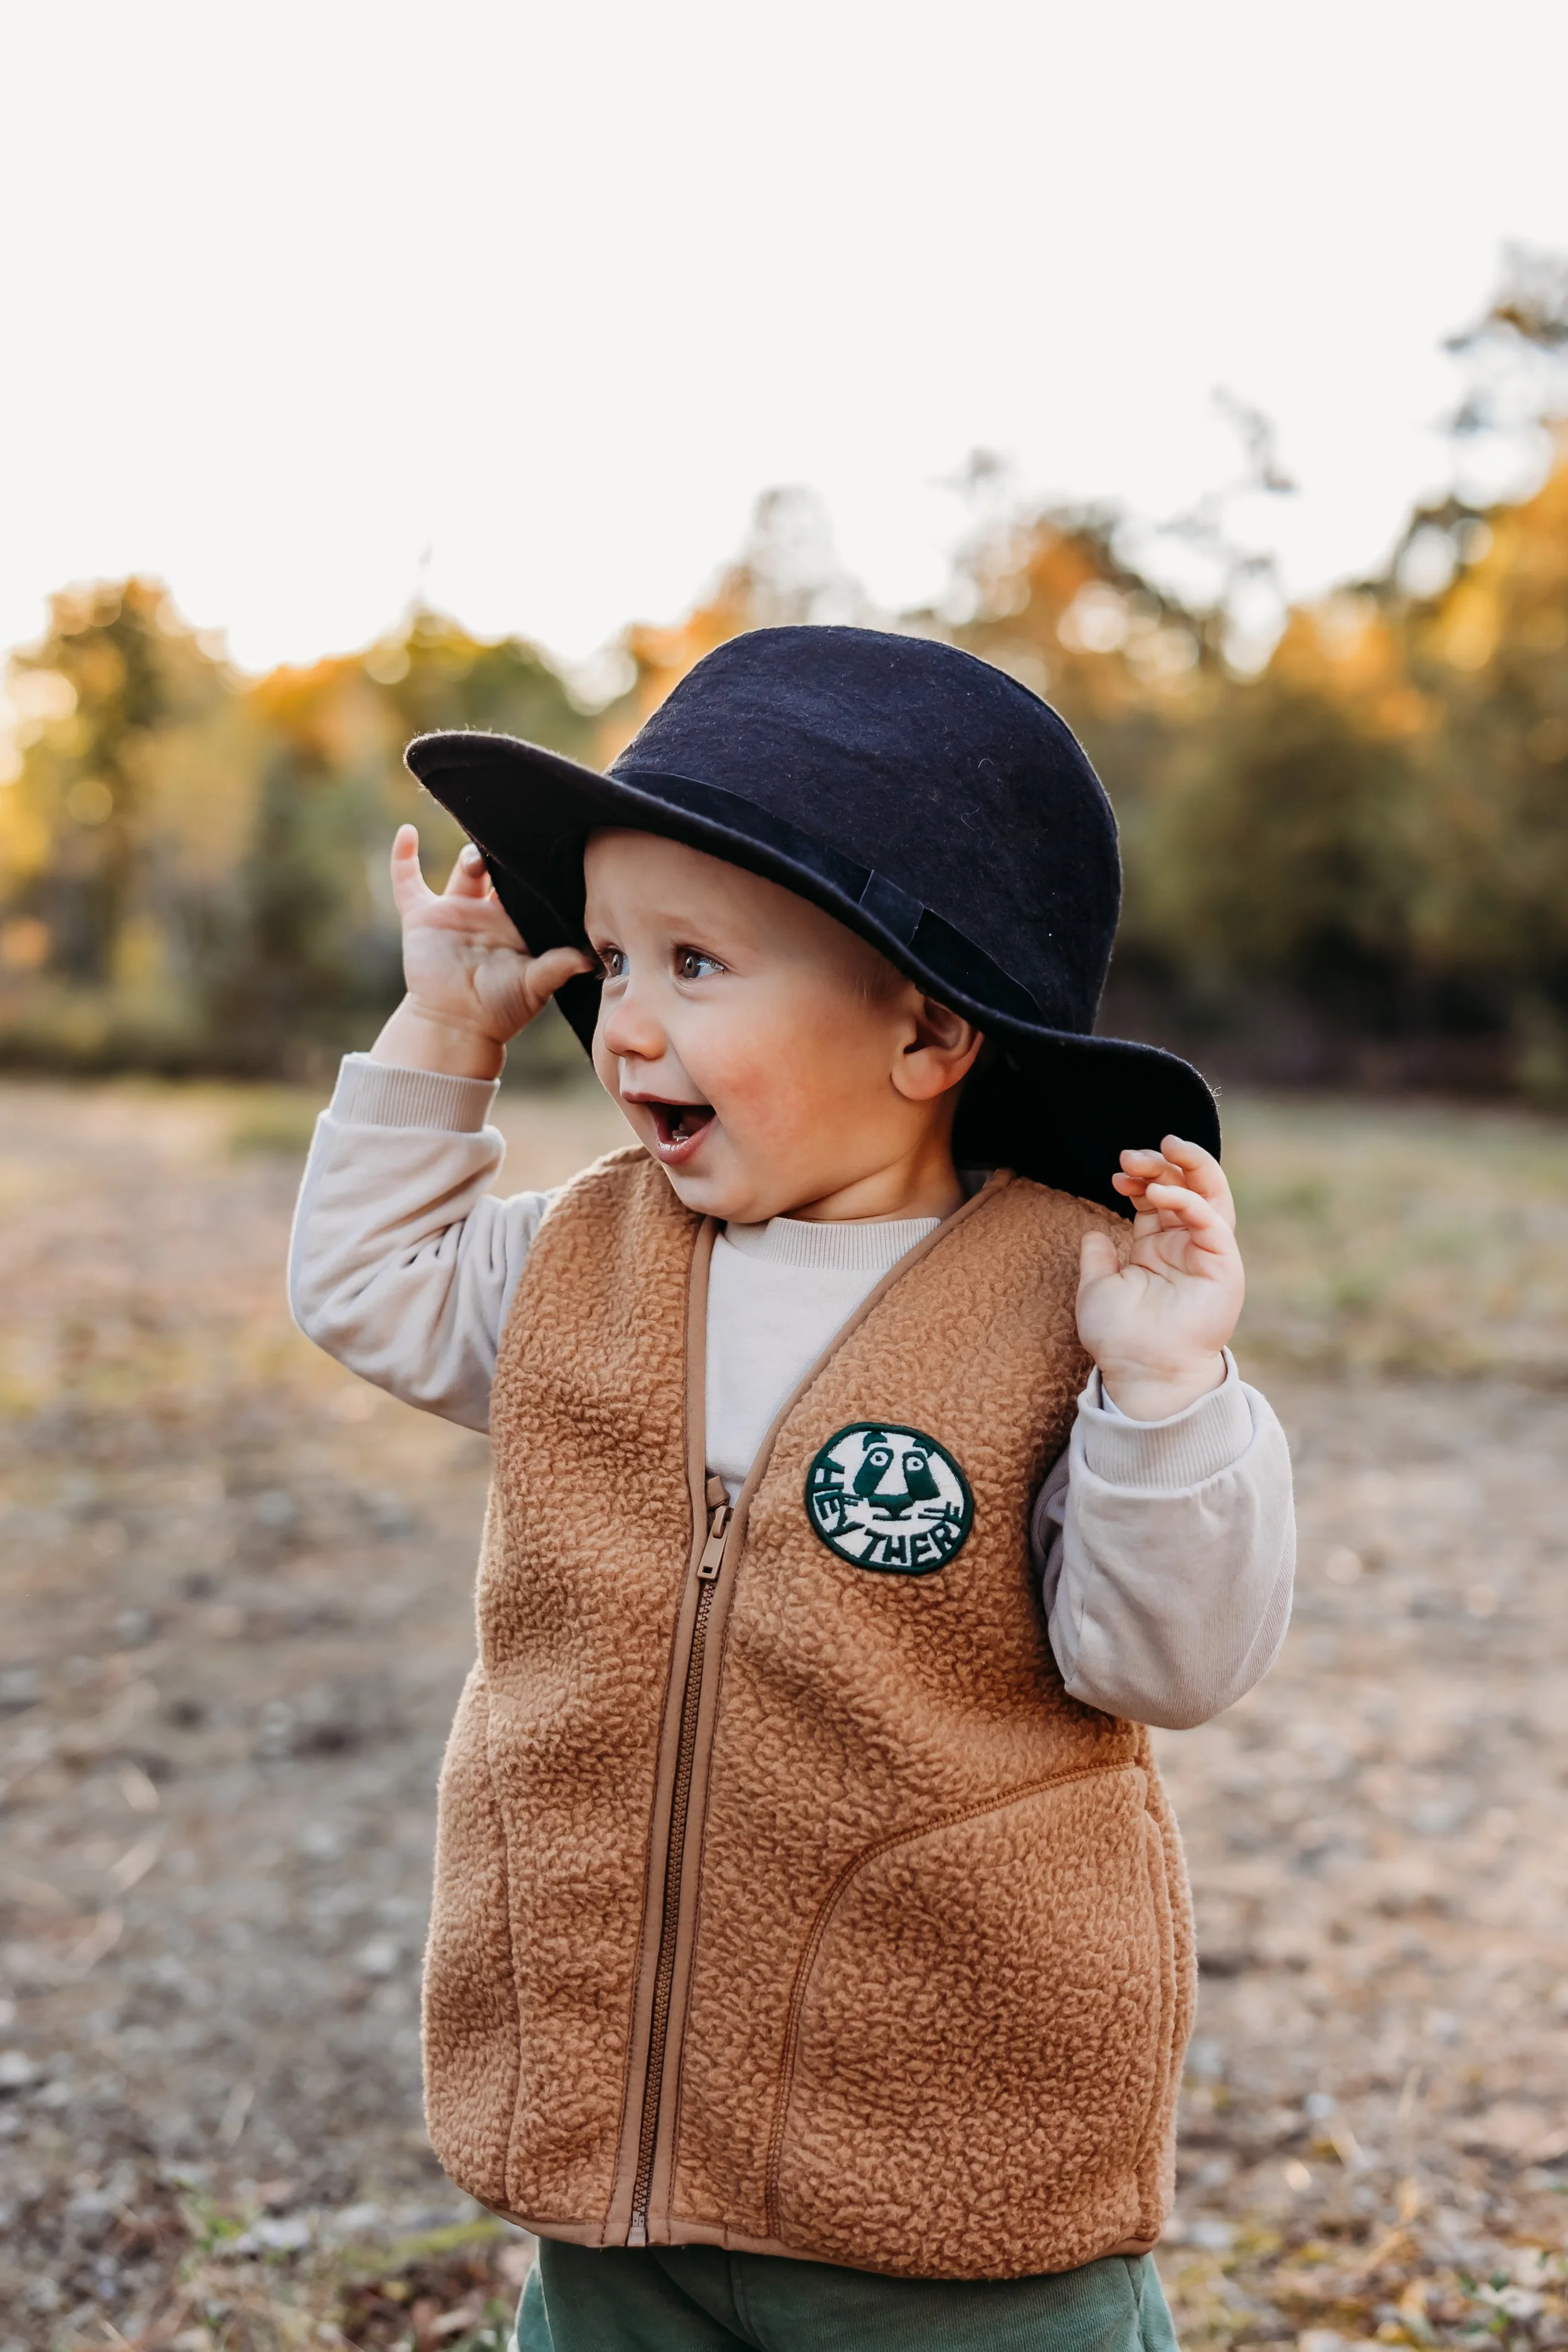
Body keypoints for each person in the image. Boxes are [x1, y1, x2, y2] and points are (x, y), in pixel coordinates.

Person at [290, 626, 1295, 2352]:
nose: (625, 1017)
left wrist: (1162, 1388)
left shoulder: (1069, 1298)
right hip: (617, 2146)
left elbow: (1171, 1663)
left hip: (952, 2175)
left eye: (696, 961)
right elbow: (367, 1286)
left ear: (924, 1031)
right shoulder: (584, 1253)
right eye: (610, 956)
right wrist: (437, 1040)